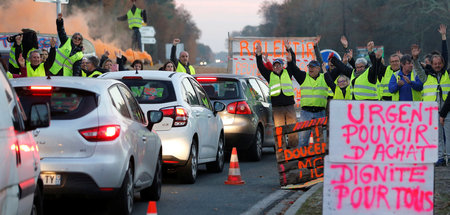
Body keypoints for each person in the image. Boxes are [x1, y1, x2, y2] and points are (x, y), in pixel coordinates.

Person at [286, 38, 340, 147]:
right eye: (309, 67)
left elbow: (339, 69)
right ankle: (303, 162)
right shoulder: (303, 77)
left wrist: (343, 58)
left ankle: (318, 162)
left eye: (313, 67)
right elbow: (293, 68)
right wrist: (290, 52)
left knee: (319, 141)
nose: (310, 69)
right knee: (303, 140)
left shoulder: (324, 77)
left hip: (320, 112)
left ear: (319, 68)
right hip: (306, 113)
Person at [255, 42, 298, 148]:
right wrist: (258, 55)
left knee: (292, 129)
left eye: (279, 65)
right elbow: (260, 67)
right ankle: (281, 150)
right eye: (275, 65)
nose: (277, 67)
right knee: (279, 130)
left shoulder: (288, 72)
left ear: (282, 66)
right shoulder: (270, 75)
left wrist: (289, 49)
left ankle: (293, 150)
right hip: (277, 108)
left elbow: (293, 61)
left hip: (289, 107)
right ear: (273, 67)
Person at [418, 24, 449, 166]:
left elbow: (445, 54)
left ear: (443, 64)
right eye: (435, 63)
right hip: (433, 106)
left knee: (448, 133)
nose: (437, 65)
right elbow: (418, 67)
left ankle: (448, 155)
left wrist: (443, 37)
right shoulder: (428, 73)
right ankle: (440, 157)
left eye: (439, 63)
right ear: (432, 64)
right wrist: (415, 58)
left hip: (446, 105)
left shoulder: (446, 73)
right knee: (437, 135)